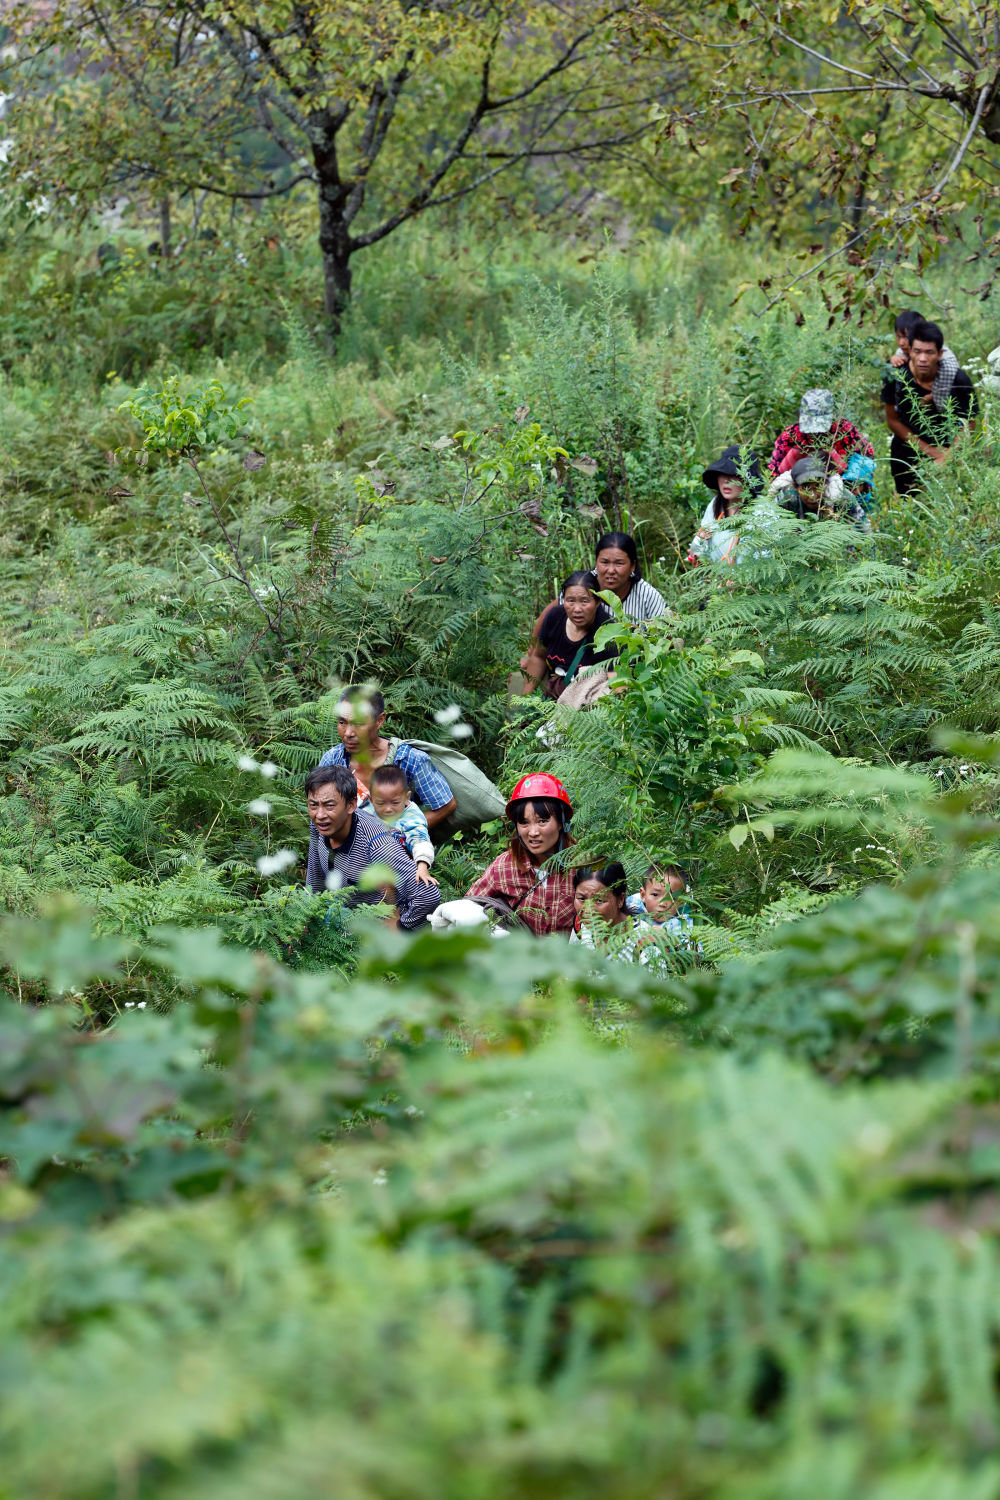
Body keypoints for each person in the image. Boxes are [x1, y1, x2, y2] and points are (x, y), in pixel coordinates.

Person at [303, 765, 440, 930]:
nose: (320, 815)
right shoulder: (320, 825)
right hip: (345, 910)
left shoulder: (377, 843)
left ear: (351, 805)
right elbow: (315, 877)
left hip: (377, 925)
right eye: (313, 805)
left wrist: (401, 927)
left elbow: (428, 895)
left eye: (329, 805)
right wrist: (305, 917)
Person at [318, 688, 457, 830]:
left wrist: (400, 835)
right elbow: (319, 807)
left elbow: (446, 805)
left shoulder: (410, 760)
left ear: (379, 720)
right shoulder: (333, 759)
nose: (348, 733)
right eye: (342, 722)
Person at [466, 772, 577, 934]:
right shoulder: (504, 867)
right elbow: (469, 907)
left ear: (561, 822)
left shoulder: (582, 866)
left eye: (542, 821)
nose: (532, 832)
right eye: (524, 822)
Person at [882, 319, 978, 496]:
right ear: (909, 350)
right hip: (907, 455)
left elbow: (968, 423)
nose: (923, 359)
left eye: (929, 352)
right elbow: (892, 420)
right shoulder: (895, 375)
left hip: (951, 456)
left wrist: (948, 457)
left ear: (940, 353)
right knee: (910, 506)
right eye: (917, 351)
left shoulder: (957, 380)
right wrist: (934, 453)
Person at [518, 570, 617, 698]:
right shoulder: (554, 617)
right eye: (570, 601)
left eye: (584, 601)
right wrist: (526, 701)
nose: (577, 609)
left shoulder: (609, 633)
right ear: (563, 600)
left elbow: (616, 683)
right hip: (553, 696)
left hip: (588, 703)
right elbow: (538, 657)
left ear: (597, 602)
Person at [768, 389, 874, 476]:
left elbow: (867, 458)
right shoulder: (791, 435)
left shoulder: (845, 431)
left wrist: (851, 479)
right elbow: (774, 473)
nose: (816, 433)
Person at [687, 445, 764, 566]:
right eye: (723, 473)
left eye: (735, 475)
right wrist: (700, 557)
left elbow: (767, 559)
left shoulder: (762, 510)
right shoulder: (715, 505)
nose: (727, 481)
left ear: (748, 480)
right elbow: (703, 542)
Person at [368, 764, 437, 887]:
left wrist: (422, 867)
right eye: (380, 803)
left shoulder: (411, 817)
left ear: (406, 798)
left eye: (395, 802)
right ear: (372, 800)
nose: (388, 809)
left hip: (401, 869)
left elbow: (420, 840)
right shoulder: (367, 810)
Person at [772, 456, 870, 533]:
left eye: (817, 487)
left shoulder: (842, 497)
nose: (812, 496)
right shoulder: (786, 498)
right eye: (806, 489)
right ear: (796, 487)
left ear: (826, 485)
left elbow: (864, 527)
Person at [888, 309, 961, 410]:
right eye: (898, 336)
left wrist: (933, 396)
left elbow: (944, 400)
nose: (901, 343)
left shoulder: (947, 363)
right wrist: (894, 359)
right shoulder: (904, 350)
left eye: (906, 337)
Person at [570, 862, 643, 961]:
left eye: (599, 900)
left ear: (621, 899)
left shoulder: (644, 942)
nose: (588, 911)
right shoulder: (580, 926)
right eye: (581, 898)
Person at [627, 864, 696, 943]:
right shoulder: (632, 907)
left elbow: (693, 951)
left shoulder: (684, 922)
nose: (663, 904)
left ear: (681, 901)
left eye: (672, 897)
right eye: (655, 895)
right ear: (643, 895)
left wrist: (669, 939)